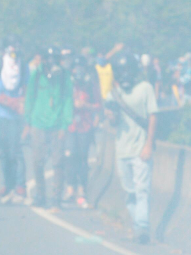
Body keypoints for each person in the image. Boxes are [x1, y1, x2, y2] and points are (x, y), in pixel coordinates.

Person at [107, 54, 157, 243]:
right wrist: (111, 114)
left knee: (142, 189)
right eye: (121, 71)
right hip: (122, 149)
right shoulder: (113, 94)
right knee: (130, 191)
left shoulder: (145, 88)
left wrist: (149, 144)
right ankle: (138, 223)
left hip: (141, 148)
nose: (125, 75)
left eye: (128, 70)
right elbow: (113, 123)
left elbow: (153, 116)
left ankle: (142, 226)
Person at [23, 47, 73, 210]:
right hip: (38, 124)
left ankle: (56, 199)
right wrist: (27, 122)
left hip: (57, 125)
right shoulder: (36, 75)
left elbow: (68, 100)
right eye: (48, 59)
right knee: (38, 161)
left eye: (55, 59)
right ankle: (40, 195)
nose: (51, 63)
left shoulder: (64, 76)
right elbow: (30, 97)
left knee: (58, 162)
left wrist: (65, 125)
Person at [0, 38, 26, 203]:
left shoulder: (23, 66)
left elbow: (26, 90)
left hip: (14, 115)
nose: (14, 49)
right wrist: (2, 100)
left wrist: (20, 104)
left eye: (17, 45)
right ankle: (7, 185)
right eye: (12, 45)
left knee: (15, 151)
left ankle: (20, 185)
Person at [64, 55, 101, 209]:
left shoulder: (91, 84)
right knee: (70, 155)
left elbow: (99, 105)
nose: (78, 71)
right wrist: (72, 103)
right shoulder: (67, 84)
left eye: (81, 68)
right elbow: (61, 102)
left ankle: (82, 190)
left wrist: (86, 105)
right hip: (70, 125)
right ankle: (70, 188)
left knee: (82, 158)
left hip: (85, 126)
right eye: (75, 68)